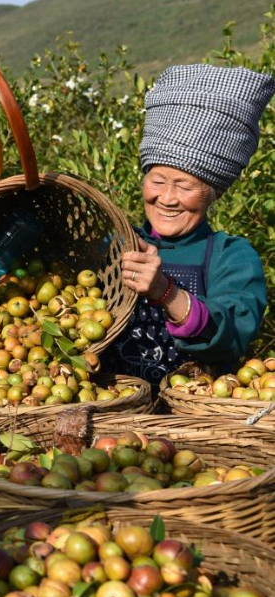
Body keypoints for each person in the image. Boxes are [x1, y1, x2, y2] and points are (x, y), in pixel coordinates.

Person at [105, 64, 275, 386]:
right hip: (113, 416)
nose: (167, 198)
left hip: (193, 421)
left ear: (212, 194)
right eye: (157, 181)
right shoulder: (116, 244)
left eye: (184, 187)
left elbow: (232, 337)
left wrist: (165, 292)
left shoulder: (231, 256)